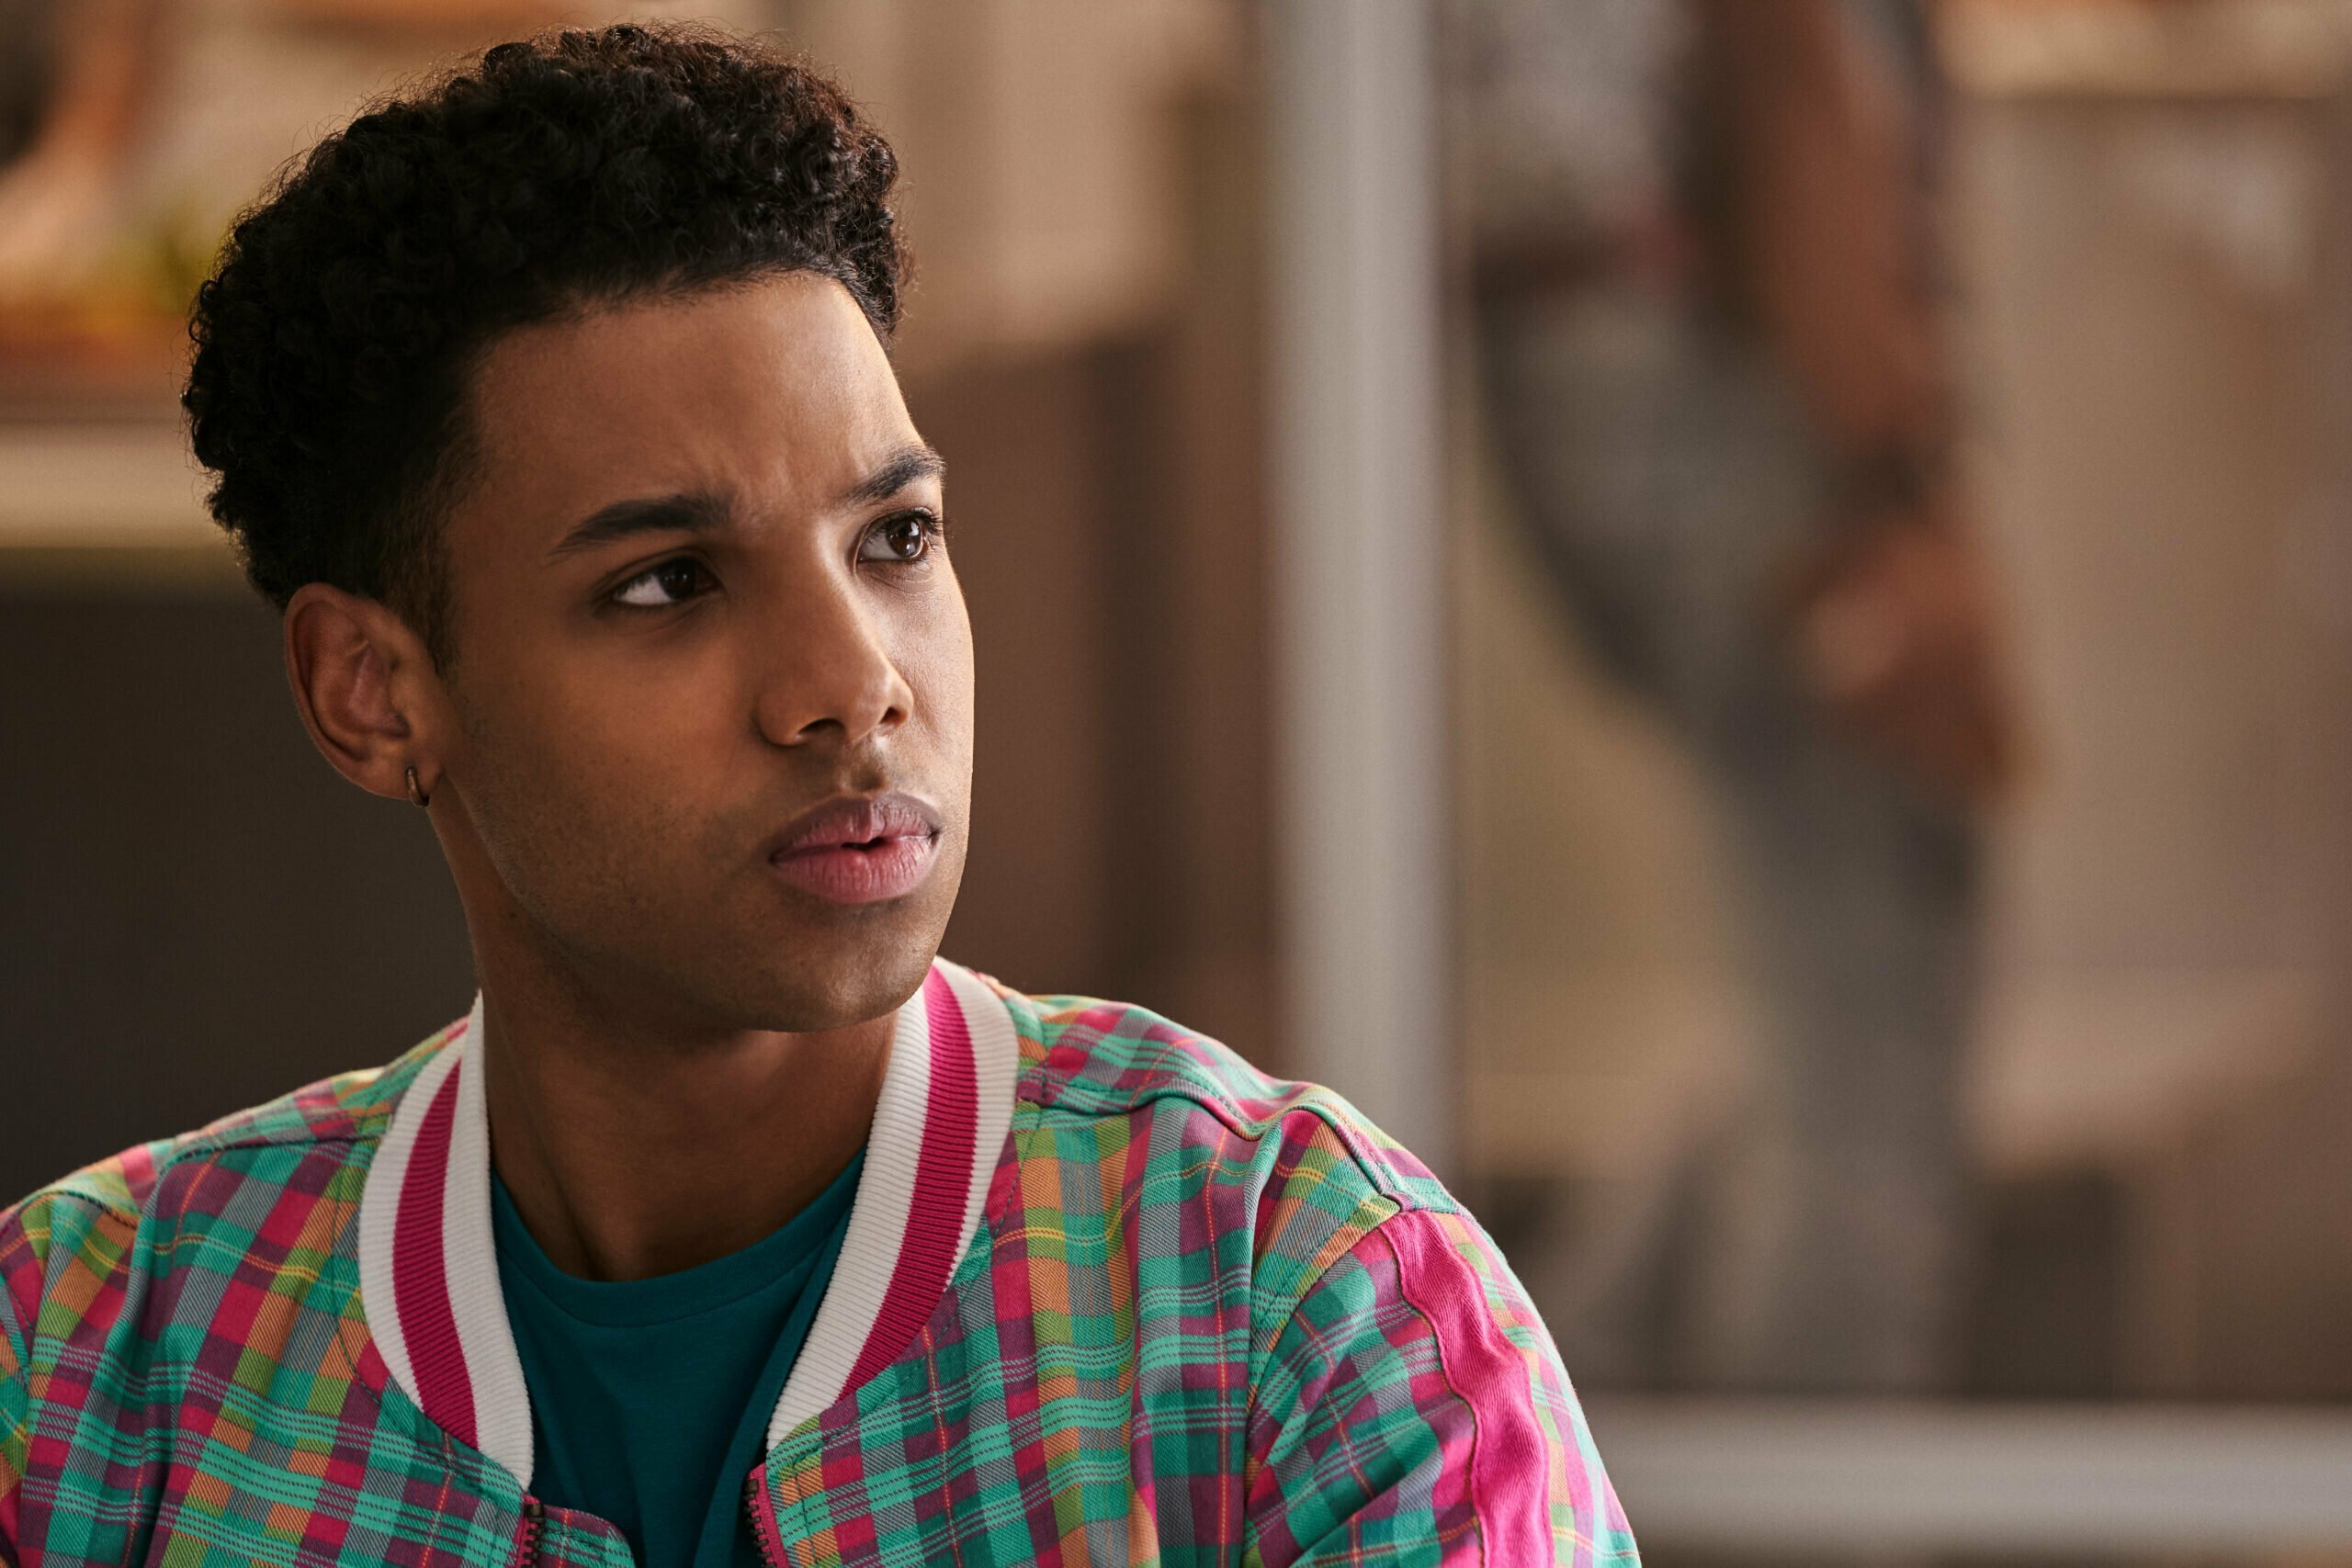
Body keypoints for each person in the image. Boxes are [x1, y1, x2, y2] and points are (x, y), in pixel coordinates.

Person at [0, 25, 1637, 1568]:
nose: (853, 683)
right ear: (373, 692)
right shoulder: (83, 1368)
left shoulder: (1298, 1307)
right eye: (667, 582)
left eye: (895, 539)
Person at [1449, 0, 2018, 1393]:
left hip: (1578, 339)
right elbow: (1788, 76)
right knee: (1868, 1030)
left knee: (1813, 1026)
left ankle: (1515, 1420)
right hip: (1714, 335)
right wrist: (1899, 477)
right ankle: (1795, 1473)